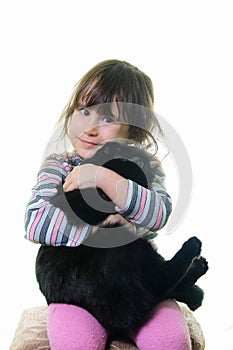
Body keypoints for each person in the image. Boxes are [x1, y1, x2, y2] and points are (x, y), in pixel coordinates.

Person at [25, 59, 192, 349]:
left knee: (170, 339)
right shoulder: (60, 166)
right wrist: (100, 229)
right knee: (76, 342)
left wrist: (103, 178)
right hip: (76, 289)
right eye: (85, 110)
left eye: (106, 119)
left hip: (130, 284)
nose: (90, 128)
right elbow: (36, 223)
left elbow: (158, 214)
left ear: (135, 131)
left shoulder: (144, 165)